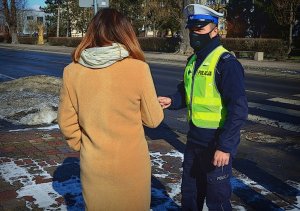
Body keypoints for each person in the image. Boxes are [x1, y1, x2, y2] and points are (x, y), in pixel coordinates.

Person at [58, 8, 163, 210]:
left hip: (94, 165)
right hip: (131, 164)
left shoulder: (72, 71)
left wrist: (83, 146)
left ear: (92, 33)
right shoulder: (138, 68)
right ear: (125, 33)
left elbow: (66, 122)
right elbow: (153, 119)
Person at [158, 4, 248, 211]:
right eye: (192, 29)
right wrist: (172, 101)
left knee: (217, 199)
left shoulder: (226, 63)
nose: (195, 34)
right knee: (190, 193)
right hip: (194, 140)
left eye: (200, 29)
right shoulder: (193, 60)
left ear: (215, 30)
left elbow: (238, 109)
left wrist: (225, 146)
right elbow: (186, 92)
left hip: (216, 142)